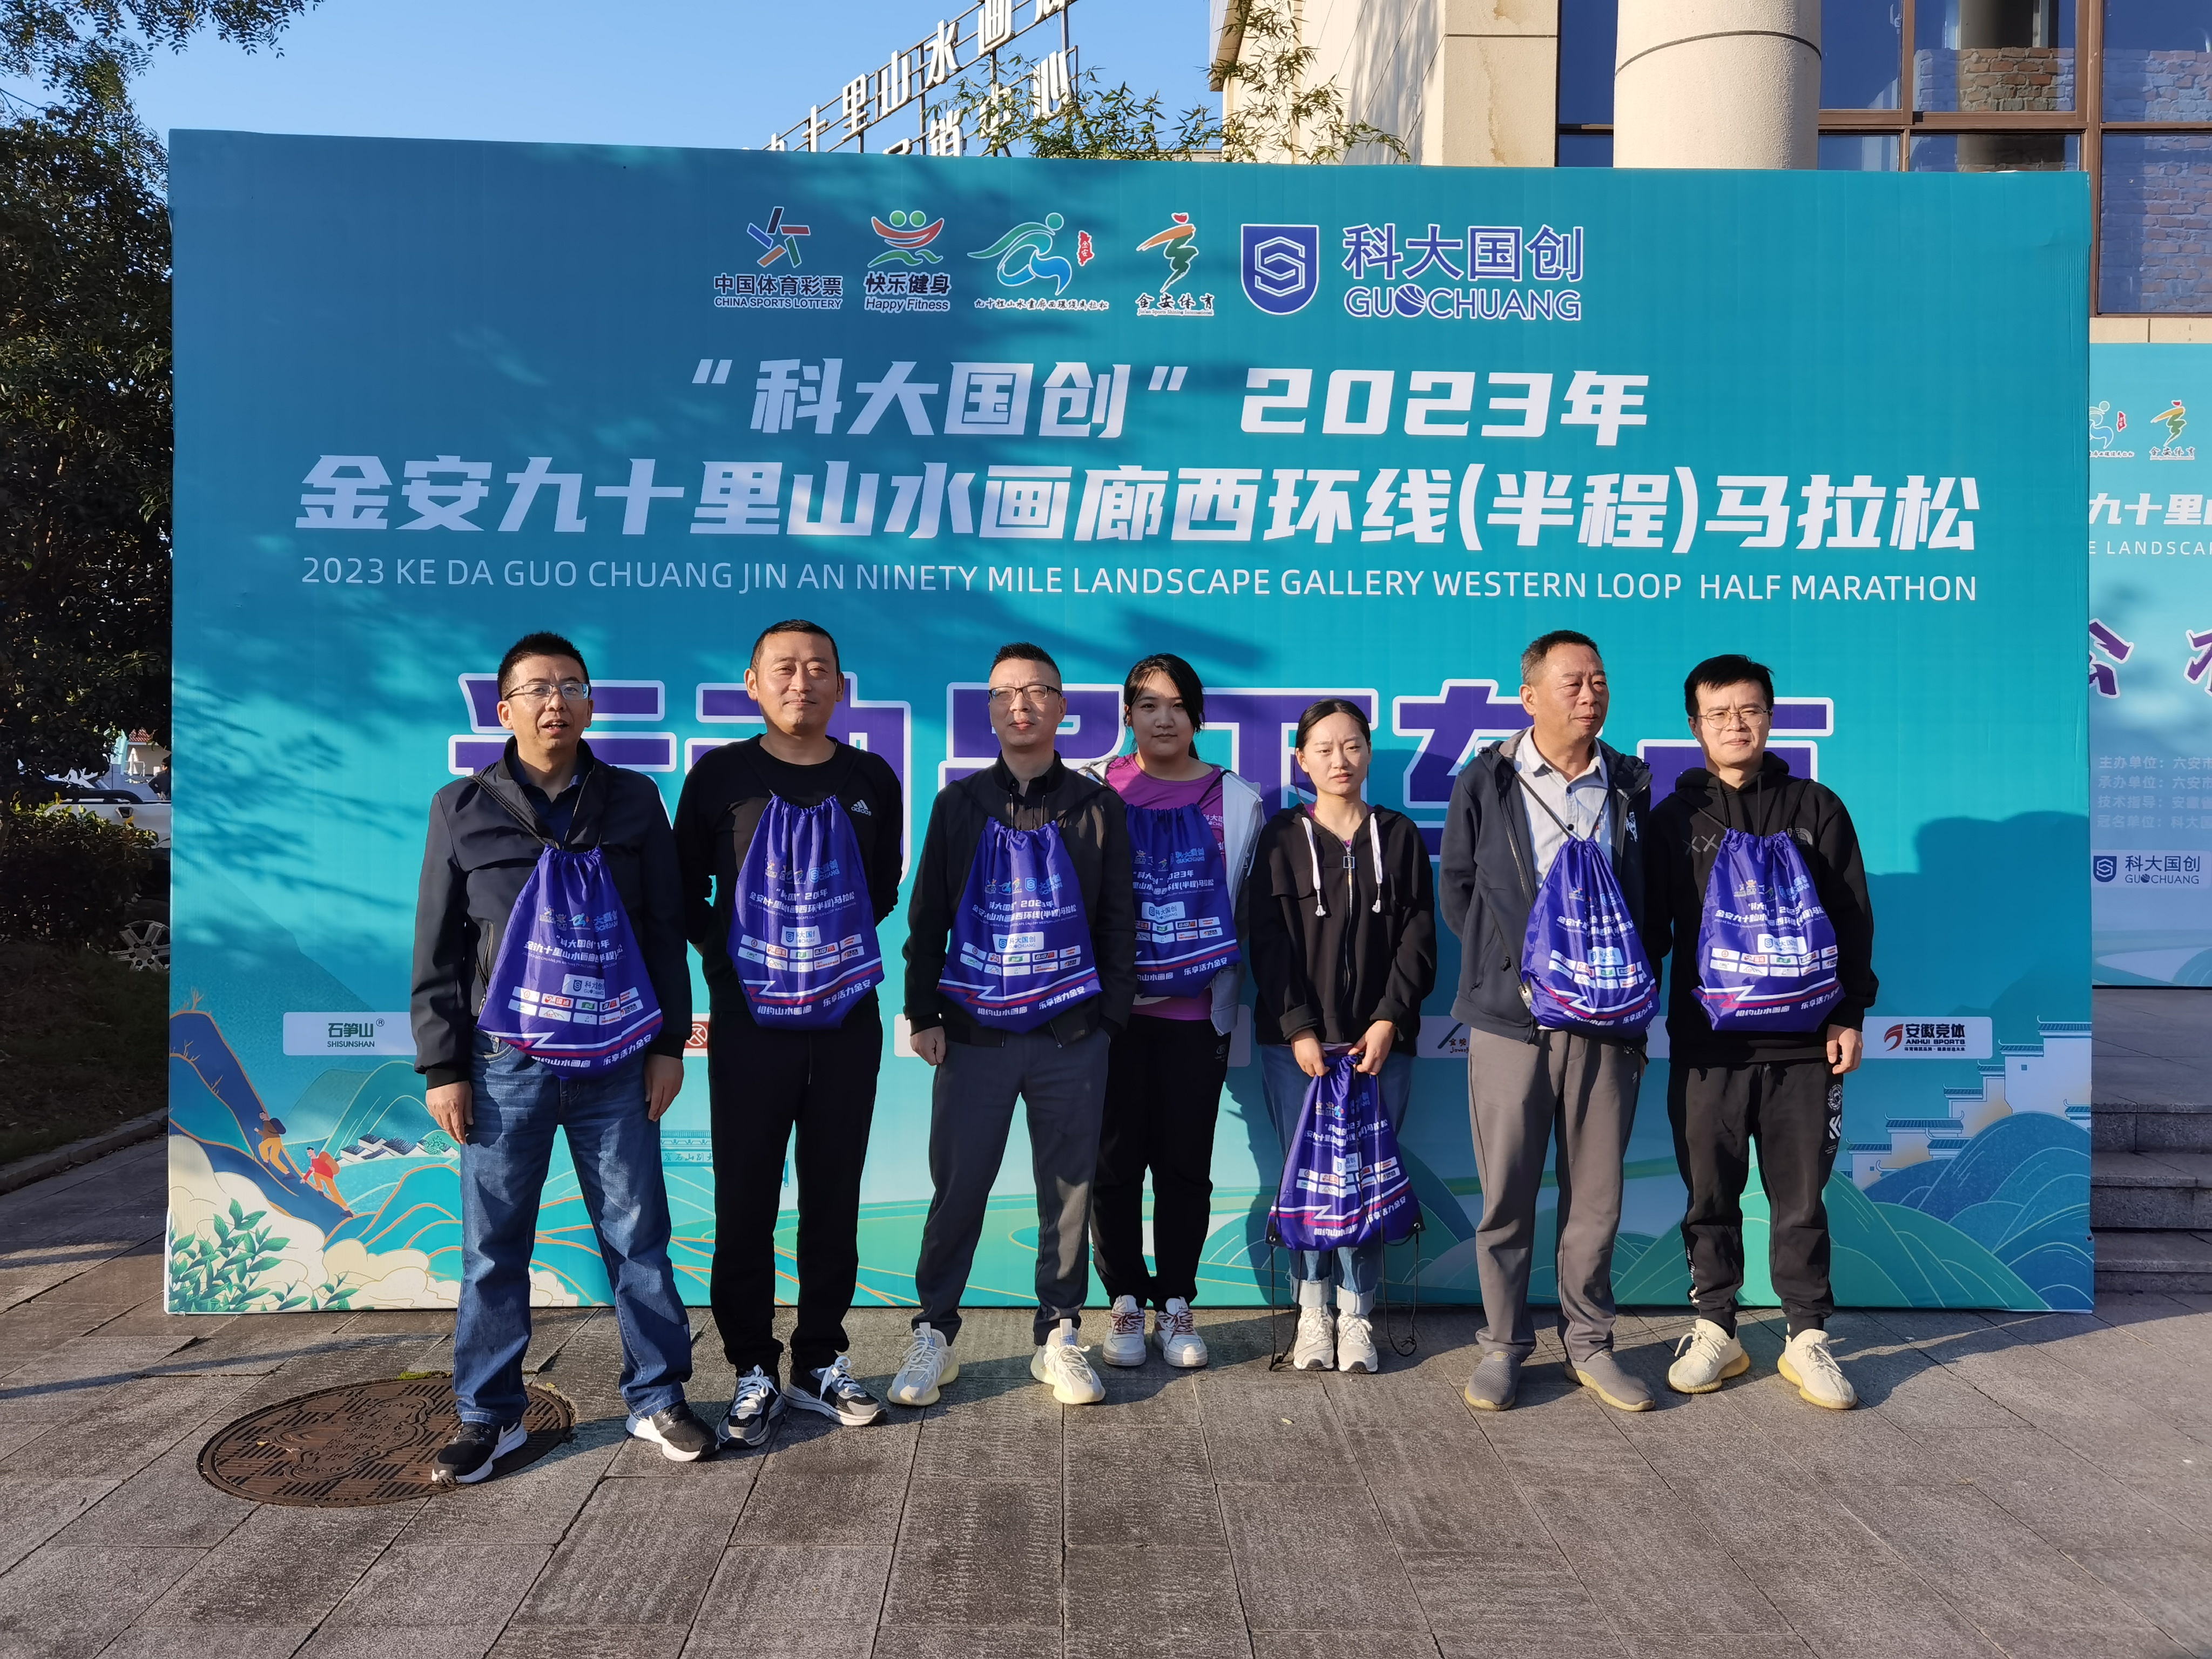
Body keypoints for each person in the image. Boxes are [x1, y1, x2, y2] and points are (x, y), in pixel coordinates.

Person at [413, 630, 712, 1485]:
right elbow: (437, 948)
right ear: (504, 709)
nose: (557, 702)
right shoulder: (461, 807)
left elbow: (663, 929)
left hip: (617, 1056)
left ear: (590, 704)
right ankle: (489, 1415)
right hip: (504, 1062)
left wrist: (667, 1044)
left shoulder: (632, 800)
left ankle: (658, 1397)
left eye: (572, 687)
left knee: (638, 1235)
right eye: (538, 689)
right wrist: (444, 1068)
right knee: (493, 1243)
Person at [889, 642, 1136, 1408]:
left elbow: (1118, 921)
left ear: (1062, 708)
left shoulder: (1095, 807)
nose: (1020, 705)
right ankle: (934, 1333)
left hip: (1071, 1035)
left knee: (1068, 1192)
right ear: (990, 710)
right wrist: (924, 1013)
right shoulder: (959, 805)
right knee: (959, 1187)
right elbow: (927, 916)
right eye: (1004, 693)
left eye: (1036, 692)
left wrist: (1107, 1021)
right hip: (974, 1034)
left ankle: (1059, 1335)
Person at [675, 619, 903, 1446]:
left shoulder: (871, 777)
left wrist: (821, 951)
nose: (801, 682)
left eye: (817, 669)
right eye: (783, 668)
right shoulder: (720, 776)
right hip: (750, 1022)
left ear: (841, 685)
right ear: (753, 682)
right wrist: (735, 958)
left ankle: (819, 1361)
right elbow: (683, 887)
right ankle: (751, 1368)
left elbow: (881, 889)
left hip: (846, 1019)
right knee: (745, 1199)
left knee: (833, 1196)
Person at [1644, 653, 1877, 1411]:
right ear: (1695, 726)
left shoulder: (1816, 808)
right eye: (1718, 713)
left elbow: (1851, 916)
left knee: (1801, 1198)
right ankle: (1717, 1327)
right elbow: (1649, 931)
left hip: (1805, 1047)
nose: (1735, 724)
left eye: (1749, 710)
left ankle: (1806, 1337)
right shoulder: (1674, 821)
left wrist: (1850, 1012)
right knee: (1708, 1192)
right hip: (1707, 1047)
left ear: (1771, 718)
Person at [1439, 630, 1654, 1414]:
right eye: (1572, 682)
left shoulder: (1627, 783)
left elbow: (1645, 897)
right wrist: (1514, 972)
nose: (1590, 694)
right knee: (1506, 1193)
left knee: (1596, 1195)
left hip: (1605, 1023)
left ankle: (1589, 1344)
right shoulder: (1486, 780)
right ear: (1529, 696)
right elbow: (1458, 892)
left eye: (1599, 680)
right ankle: (1503, 1346)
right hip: (1512, 1022)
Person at [1081, 655, 1265, 1370]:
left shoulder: (1236, 799)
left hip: (1196, 1019)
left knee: (1185, 1165)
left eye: (1178, 705)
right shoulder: (1094, 787)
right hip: (1111, 1017)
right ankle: (1126, 1301)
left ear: (1197, 716)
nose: (1164, 718)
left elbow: (1247, 909)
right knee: (1114, 1164)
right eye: (1148, 704)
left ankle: (1177, 1303)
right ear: (1127, 714)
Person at [1250, 699, 1435, 1374]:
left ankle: (1356, 1316)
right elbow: (1266, 941)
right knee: (1306, 1177)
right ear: (1300, 759)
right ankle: (1312, 1314)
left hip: (1378, 1046)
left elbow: (1419, 938)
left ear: (1368, 753)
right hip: (1297, 1049)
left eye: (1352, 745)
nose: (1339, 760)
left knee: (1366, 1175)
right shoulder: (1280, 837)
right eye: (1323, 748)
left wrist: (1388, 1019)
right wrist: (1298, 1027)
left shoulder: (1399, 835)